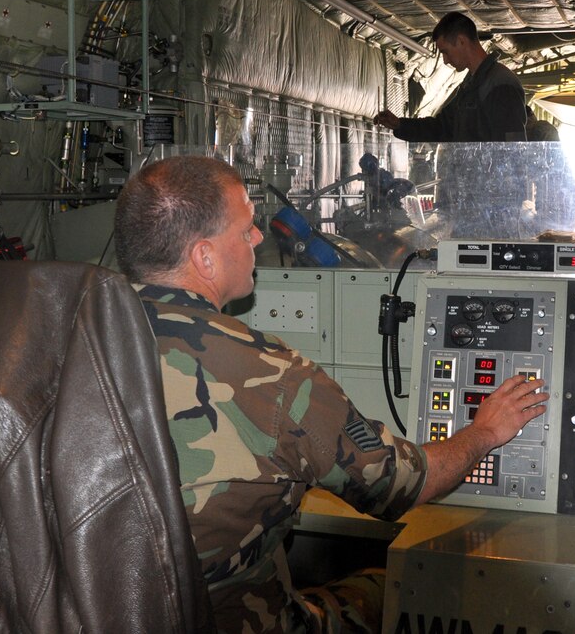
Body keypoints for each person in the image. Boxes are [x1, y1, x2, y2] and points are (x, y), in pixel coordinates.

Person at [113, 155, 549, 633]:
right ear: (204, 257)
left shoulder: (63, 344)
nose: (259, 237)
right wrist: (484, 432)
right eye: (246, 229)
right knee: (389, 588)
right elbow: (401, 485)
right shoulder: (270, 375)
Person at [374, 12, 527, 143]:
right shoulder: (470, 85)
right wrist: (400, 125)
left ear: (461, 41)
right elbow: (443, 127)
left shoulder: (500, 84)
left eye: (445, 52)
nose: (445, 60)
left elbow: (512, 148)